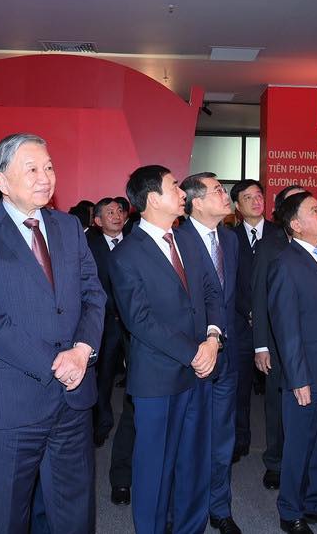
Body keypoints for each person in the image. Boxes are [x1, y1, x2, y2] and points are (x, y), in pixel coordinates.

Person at [0, 133, 105, 534]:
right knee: (7, 517)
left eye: (49, 167)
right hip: (12, 400)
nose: (45, 177)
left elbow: (93, 295)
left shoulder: (69, 227)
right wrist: (55, 363)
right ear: (2, 181)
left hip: (73, 396)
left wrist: (82, 350)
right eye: (32, 169)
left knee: (74, 514)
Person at [108, 165, 224, 534]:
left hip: (200, 371)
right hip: (158, 379)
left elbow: (212, 293)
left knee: (194, 463)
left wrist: (213, 338)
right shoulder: (126, 255)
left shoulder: (188, 241)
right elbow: (140, 320)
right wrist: (194, 352)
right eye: (174, 186)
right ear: (153, 199)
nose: (182, 192)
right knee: (154, 470)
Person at [268, 192, 317, 533]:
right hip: (307, 374)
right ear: (296, 224)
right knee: (299, 446)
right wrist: (298, 378)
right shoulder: (285, 263)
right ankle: (290, 512)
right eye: (314, 210)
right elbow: (286, 328)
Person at [178, 173, 242, 534]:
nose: (225, 194)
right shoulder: (176, 239)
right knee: (187, 440)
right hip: (190, 359)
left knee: (221, 437)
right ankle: (184, 511)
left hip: (226, 357)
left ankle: (220, 508)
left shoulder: (229, 239)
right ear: (197, 202)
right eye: (218, 190)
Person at [250, 185, 304, 491]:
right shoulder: (269, 244)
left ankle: (302, 463)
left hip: (311, 342)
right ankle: (276, 461)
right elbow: (259, 295)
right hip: (276, 340)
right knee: (277, 403)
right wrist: (261, 345)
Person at [227, 179, 272, 465]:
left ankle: (277, 453)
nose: (256, 201)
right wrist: (249, 311)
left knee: (276, 394)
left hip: (275, 326)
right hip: (241, 325)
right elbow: (227, 283)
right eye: (248, 197)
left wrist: (266, 312)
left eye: (259, 196)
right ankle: (239, 440)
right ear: (237, 205)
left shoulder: (281, 235)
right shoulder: (228, 238)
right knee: (239, 389)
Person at [88, 197, 127, 447]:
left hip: (136, 323)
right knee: (103, 376)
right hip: (106, 322)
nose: (116, 215)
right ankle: (101, 422)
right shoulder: (89, 246)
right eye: (110, 212)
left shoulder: (136, 242)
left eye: (119, 211)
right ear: (98, 221)